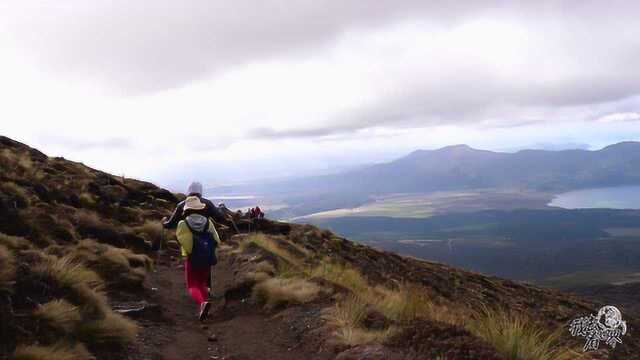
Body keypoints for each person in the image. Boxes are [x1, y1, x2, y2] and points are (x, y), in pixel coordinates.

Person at [175, 195, 221, 321]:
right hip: (207, 259)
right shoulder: (208, 221)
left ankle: (202, 304)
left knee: (192, 286)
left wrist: (192, 252)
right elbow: (217, 240)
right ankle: (205, 303)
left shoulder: (182, 224)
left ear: (187, 210)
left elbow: (187, 245)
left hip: (192, 259)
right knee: (202, 283)